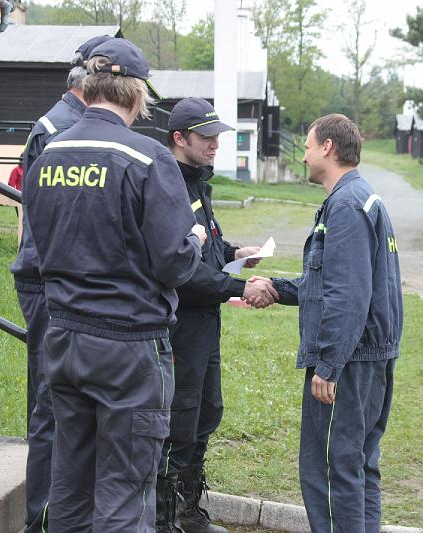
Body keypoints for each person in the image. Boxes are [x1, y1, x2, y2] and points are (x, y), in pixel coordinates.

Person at [23, 38, 206, 531]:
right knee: (124, 494)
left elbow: (37, 242)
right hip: (127, 347)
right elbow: (173, 262)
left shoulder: (49, 151)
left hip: (63, 339)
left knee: (71, 488)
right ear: (137, 92)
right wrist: (194, 236)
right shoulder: (147, 157)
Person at [259, 113, 403, 533]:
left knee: (328, 469)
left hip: (350, 362)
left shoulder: (345, 205)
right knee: (357, 467)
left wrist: (328, 364)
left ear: (327, 148)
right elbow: (330, 281)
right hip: (369, 357)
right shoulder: (361, 197)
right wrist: (277, 288)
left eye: (307, 145)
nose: (303, 155)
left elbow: (349, 294)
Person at [155, 97, 278, 533]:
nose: (215, 144)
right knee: (178, 421)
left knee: (207, 412)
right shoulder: (168, 185)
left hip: (205, 325)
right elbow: (182, 272)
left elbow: (205, 250)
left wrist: (235, 253)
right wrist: (239, 286)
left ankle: (188, 511)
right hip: (179, 325)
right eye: (206, 137)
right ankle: (163, 519)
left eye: (217, 136)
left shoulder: (197, 184)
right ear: (179, 138)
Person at [10, 34, 112, 533]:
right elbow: (51, 220)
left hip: (66, 280)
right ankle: (42, 520)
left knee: (72, 405)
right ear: (91, 80)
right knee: (52, 407)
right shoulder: (57, 129)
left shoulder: (74, 124)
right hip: (50, 281)